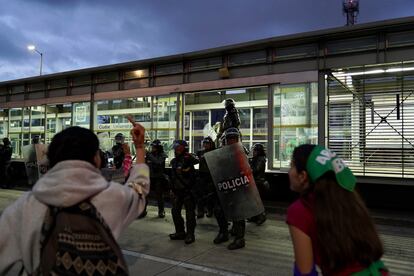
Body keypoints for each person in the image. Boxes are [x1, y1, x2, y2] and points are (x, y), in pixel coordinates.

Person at [0, 123, 150, 274]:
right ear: (96, 159)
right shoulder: (114, 196)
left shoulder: (23, 207)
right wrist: (139, 147)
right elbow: (139, 189)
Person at [287, 144, 388, 276]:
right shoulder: (349, 199)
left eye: (292, 165)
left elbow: (305, 272)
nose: (289, 171)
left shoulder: (300, 210)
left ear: (303, 176)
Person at [169, 140, 199, 244]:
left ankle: (190, 234)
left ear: (183, 147)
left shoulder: (190, 159)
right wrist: (172, 190)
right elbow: (172, 177)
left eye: (178, 147)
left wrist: (190, 158)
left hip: (188, 191)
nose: (176, 149)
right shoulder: (174, 161)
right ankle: (180, 232)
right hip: (177, 191)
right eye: (176, 147)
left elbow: (196, 170)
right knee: (175, 211)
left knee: (190, 214)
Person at [223, 127, 247, 250]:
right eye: (229, 139)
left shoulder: (241, 151)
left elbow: (246, 170)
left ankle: (240, 239)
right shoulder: (225, 152)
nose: (231, 141)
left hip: (239, 186)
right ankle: (235, 232)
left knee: (239, 213)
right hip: (228, 185)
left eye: (233, 138)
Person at [145, 139, 168, 218]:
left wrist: (148, 155)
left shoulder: (162, 154)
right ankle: (143, 210)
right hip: (149, 177)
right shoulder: (150, 154)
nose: (152, 148)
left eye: (154, 147)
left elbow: (158, 162)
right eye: (152, 147)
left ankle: (161, 211)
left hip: (158, 178)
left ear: (158, 147)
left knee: (159, 195)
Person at [195, 137, 215, 218]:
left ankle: (210, 210)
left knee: (210, 195)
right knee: (200, 194)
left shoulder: (214, 152)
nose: (206, 145)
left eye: (207, 143)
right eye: (205, 143)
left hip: (211, 175)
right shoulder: (200, 152)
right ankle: (200, 211)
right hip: (202, 175)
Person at [247, 143, 268, 225]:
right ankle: (254, 217)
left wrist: (249, 167)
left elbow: (256, 169)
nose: (254, 152)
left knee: (257, 201)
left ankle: (261, 216)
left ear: (259, 151)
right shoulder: (255, 158)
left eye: (256, 150)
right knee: (253, 201)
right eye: (254, 150)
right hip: (255, 182)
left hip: (258, 182)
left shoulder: (261, 159)